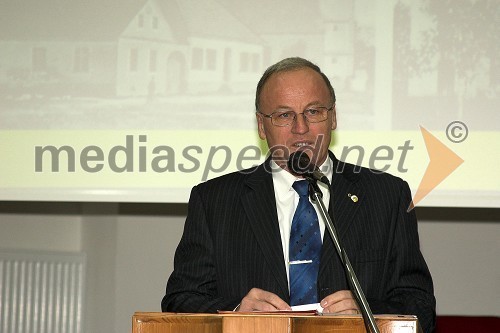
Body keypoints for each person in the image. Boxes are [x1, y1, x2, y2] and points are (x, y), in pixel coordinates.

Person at [161, 57, 436, 332]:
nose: (301, 127)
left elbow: (420, 306)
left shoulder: (387, 196)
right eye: (284, 115)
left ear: (333, 116)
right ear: (261, 125)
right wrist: (235, 312)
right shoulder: (214, 201)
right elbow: (179, 302)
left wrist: (368, 312)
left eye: (314, 111)